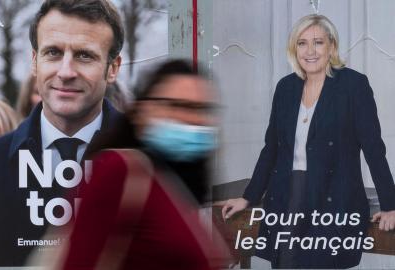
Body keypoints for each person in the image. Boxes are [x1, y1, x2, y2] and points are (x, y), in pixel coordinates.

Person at [222, 14, 395, 269]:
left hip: (333, 196)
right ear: (294, 49)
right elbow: (271, 148)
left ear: (332, 46)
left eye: (318, 42)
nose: (310, 51)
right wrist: (249, 197)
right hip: (288, 194)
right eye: (302, 43)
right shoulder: (285, 88)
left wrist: (391, 205)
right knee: (286, 262)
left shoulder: (353, 85)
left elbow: (373, 148)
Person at [51, 60, 230, 269]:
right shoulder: (120, 171)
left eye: (203, 109)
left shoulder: (178, 188)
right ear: (142, 112)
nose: (194, 118)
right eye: (179, 106)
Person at [0, 0, 125, 266]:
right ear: (34, 61)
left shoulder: (153, 162)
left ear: (113, 68)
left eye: (85, 55)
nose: (66, 72)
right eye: (52, 52)